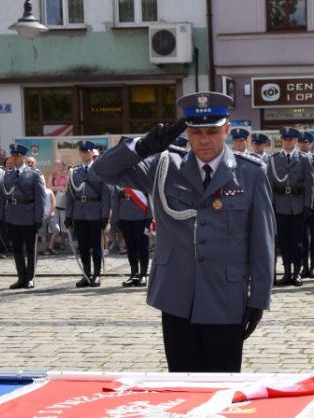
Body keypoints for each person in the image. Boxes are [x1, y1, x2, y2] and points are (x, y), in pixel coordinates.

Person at [92, 91, 275, 373]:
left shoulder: (249, 172)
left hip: (225, 297)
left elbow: (262, 240)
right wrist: (142, 147)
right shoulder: (164, 166)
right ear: (186, 133)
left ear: (226, 130)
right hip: (176, 296)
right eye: (196, 131)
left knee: (222, 386)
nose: (204, 139)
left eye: (212, 131)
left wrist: (259, 298)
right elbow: (103, 171)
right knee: (181, 384)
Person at [0, 144, 47, 289]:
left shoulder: (34, 174)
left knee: (30, 249)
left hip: (28, 215)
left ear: (23, 157)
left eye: (18, 156)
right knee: (16, 248)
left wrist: (39, 218)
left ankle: (30, 278)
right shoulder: (7, 174)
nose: (15, 158)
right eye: (13, 155)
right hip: (12, 214)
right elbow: (2, 197)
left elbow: (40, 198)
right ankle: (21, 277)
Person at [268, 127, 314, 286]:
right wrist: (271, 205)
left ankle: (297, 272)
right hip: (280, 205)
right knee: (284, 241)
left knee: (298, 241)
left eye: (291, 139)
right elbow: (270, 185)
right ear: (282, 141)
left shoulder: (303, 159)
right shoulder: (273, 159)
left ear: (296, 141)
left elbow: (310, 184)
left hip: (298, 205)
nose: (288, 142)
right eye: (285, 139)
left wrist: (308, 205)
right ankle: (287, 271)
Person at [65, 141, 111, 288]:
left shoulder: (100, 170)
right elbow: (70, 195)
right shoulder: (75, 172)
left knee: (96, 245)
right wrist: (68, 215)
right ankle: (86, 274)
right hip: (79, 213)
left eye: (87, 152)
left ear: (92, 153)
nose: (85, 154)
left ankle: (96, 275)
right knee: (83, 246)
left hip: (95, 212)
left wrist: (104, 215)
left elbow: (106, 194)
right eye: (82, 152)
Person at [112, 182, 152, 287]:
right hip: (124, 215)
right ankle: (134, 274)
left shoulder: (142, 177)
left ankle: (143, 275)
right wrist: (116, 218)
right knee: (130, 247)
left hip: (141, 216)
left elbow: (150, 197)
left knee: (142, 246)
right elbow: (116, 199)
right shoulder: (120, 178)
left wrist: (149, 216)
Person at [298, 131, 314, 279]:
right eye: (302, 142)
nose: (304, 144)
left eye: (307, 142)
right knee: (301, 237)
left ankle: (313, 266)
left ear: (311, 144)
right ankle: (303, 266)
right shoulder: (296, 158)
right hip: (300, 203)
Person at [48, 159, 69, 249]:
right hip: (54, 202)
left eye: (60, 164)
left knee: (64, 223)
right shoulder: (52, 176)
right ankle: (54, 242)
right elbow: (49, 187)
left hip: (64, 202)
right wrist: (61, 188)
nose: (58, 166)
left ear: (64, 166)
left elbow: (67, 188)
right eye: (56, 164)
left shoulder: (67, 175)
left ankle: (63, 242)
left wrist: (56, 188)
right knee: (54, 222)